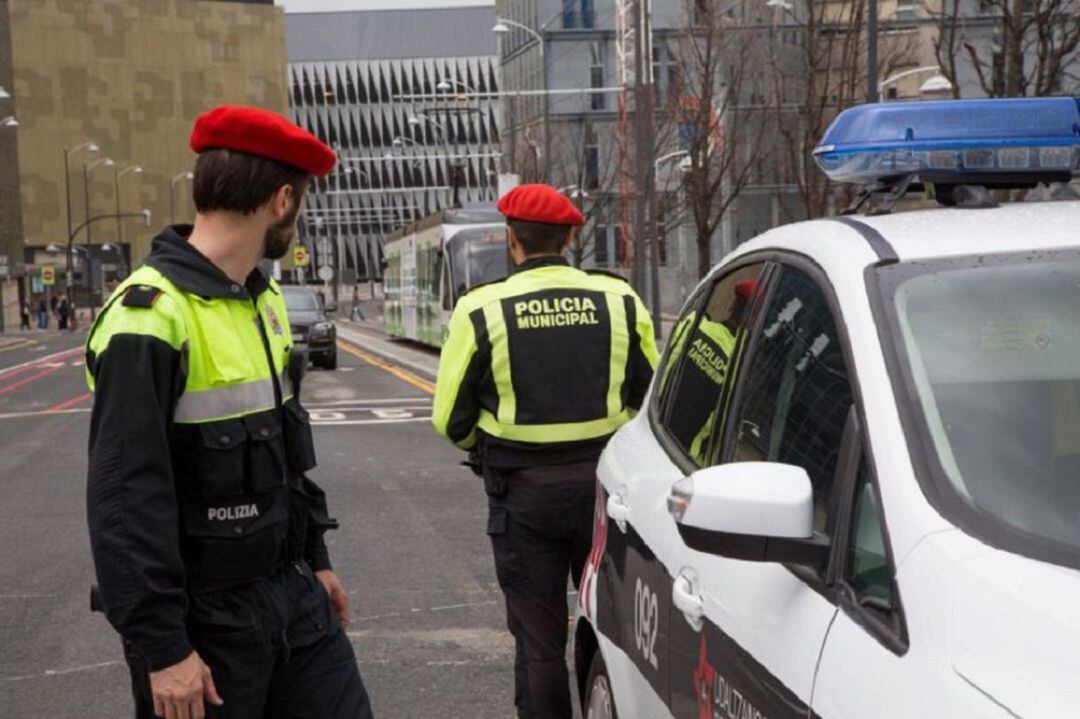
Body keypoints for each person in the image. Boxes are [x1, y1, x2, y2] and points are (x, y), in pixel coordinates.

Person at [85, 105, 374, 719]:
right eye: (300, 202)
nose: (298, 218)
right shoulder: (148, 318)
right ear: (279, 201)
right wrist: (164, 650)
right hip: (203, 623)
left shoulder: (261, 300)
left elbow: (288, 456)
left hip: (291, 597)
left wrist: (315, 560)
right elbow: (125, 500)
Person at [432, 184, 659, 719]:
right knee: (609, 626)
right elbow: (647, 397)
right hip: (604, 492)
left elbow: (450, 419)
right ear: (571, 237)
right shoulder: (619, 301)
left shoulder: (481, 309)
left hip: (522, 495)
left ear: (511, 239)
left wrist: (489, 446)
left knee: (539, 642)